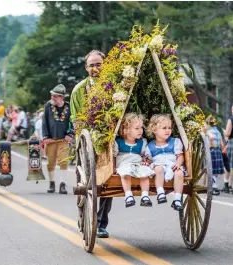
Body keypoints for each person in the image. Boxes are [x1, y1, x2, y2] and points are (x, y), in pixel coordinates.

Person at [70, 50, 113, 238]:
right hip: (87, 143)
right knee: (87, 182)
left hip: (108, 140)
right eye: (92, 65)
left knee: (107, 180)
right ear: (86, 68)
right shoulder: (79, 90)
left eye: (98, 64)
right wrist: (86, 145)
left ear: (105, 65)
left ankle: (101, 223)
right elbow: (76, 121)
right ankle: (83, 215)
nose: (95, 68)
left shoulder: (114, 86)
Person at [145, 114, 186, 211]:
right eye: (164, 128)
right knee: (158, 169)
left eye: (169, 128)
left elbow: (180, 156)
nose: (168, 130)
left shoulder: (175, 142)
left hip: (172, 165)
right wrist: (146, 162)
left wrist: (178, 164)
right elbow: (149, 159)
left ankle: (177, 199)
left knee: (179, 173)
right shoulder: (150, 146)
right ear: (154, 130)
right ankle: (160, 192)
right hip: (159, 166)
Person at [113, 113, 153, 207]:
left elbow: (145, 155)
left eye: (141, 128)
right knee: (126, 173)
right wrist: (113, 167)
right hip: (124, 163)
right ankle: (128, 195)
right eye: (137, 128)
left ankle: (145, 196)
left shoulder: (142, 142)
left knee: (145, 172)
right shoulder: (118, 142)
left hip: (137, 163)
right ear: (126, 130)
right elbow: (113, 156)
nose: (140, 131)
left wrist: (146, 161)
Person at [43, 84, 74, 194]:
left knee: (63, 162)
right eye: (52, 95)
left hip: (63, 140)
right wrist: (45, 136)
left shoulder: (69, 107)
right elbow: (44, 122)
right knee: (51, 162)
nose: (52, 98)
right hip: (51, 140)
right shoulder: (48, 106)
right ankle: (52, 183)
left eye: (55, 96)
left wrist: (70, 134)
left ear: (61, 97)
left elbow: (72, 122)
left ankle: (63, 184)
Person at [203, 115, 225, 196]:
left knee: (211, 169)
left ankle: (213, 187)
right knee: (215, 170)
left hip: (211, 150)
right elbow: (222, 144)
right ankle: (214, 186)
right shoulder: (218, 132)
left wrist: (210, 146)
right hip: (218, 150)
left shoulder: (209, 132)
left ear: (208, 124)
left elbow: (211, 138)